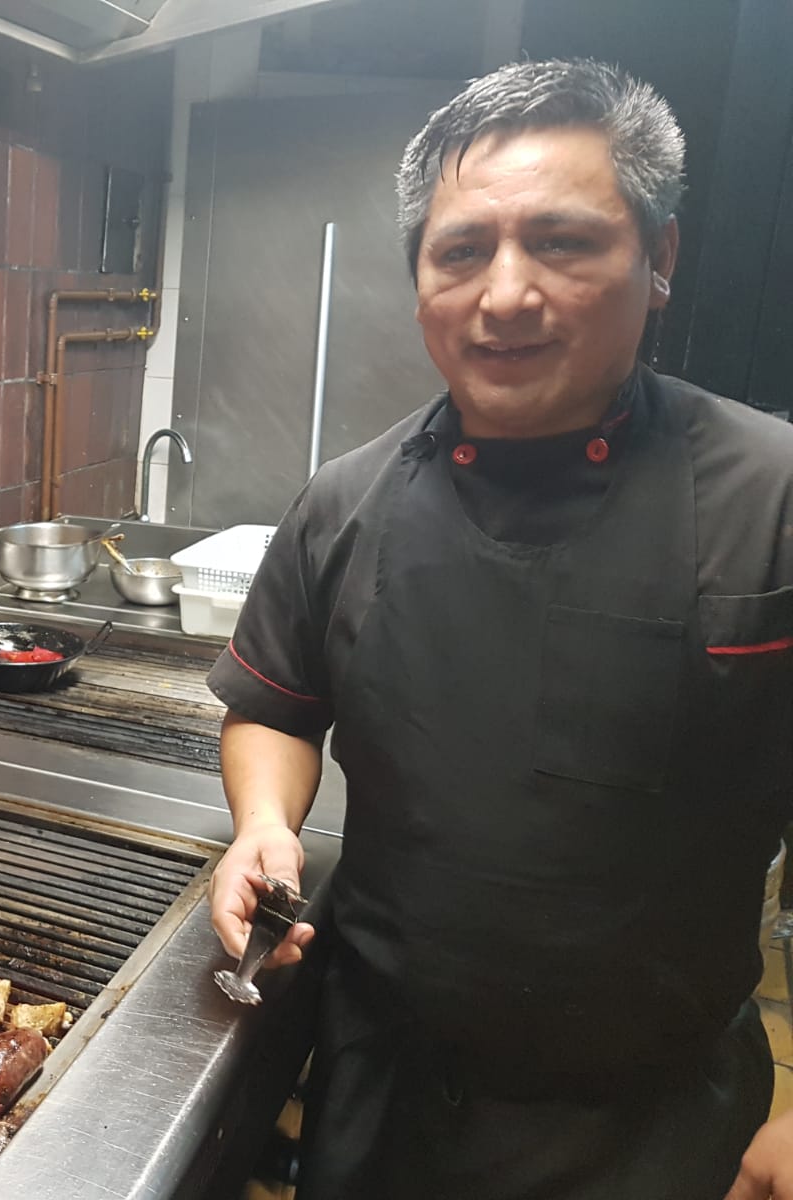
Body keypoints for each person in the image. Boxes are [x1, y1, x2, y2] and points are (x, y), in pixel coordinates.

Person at [205, 58, 793, 1199]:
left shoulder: (773, 498)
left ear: (658, 259)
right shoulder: (346, 499)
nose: (505, 294)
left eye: (563, 243)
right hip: (382, 1095)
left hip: (656, 1120)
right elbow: (275, 704)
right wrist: (262, 823)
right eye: (461, 250)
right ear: (420, 276)